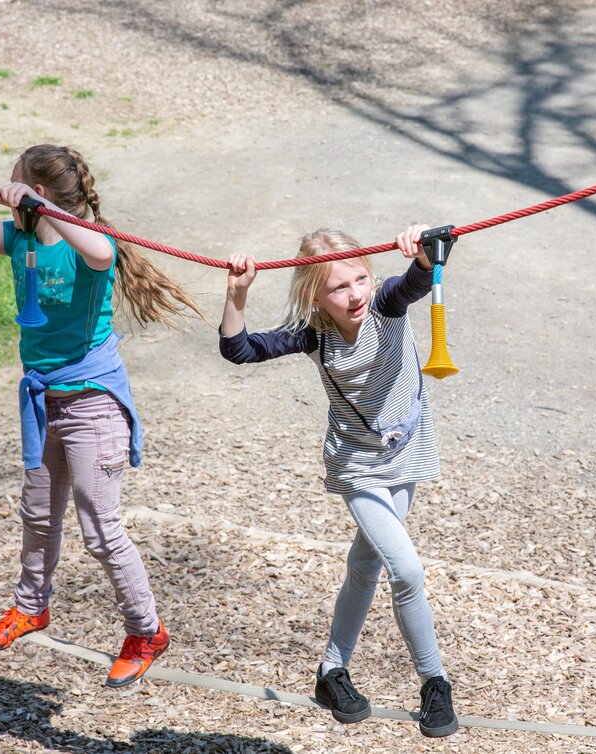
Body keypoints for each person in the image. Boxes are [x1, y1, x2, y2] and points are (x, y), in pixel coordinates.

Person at [0, 144, 202, 687]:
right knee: (37, 515)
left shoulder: (89, 243)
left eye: (18, 186)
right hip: (43, 403)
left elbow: (102, 254)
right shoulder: (20, 239)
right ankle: (30, 606)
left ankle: (146, 631)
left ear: (41, 196)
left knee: (100, 529)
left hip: (92, 404)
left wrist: (43, 207)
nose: (8, 195)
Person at [219, 225, 458, 738]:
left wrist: (422, 256)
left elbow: (413, 284)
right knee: (406, 570)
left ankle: (332, 671)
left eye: (359, 280)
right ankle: (435, 681)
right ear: (315, 297)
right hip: (356, 464)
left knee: (366, 563)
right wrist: (237, 294)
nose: (354, 295)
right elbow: (239, 350)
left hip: (406, 451)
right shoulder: (313, 334)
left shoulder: (385, 306)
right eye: (338, 287)